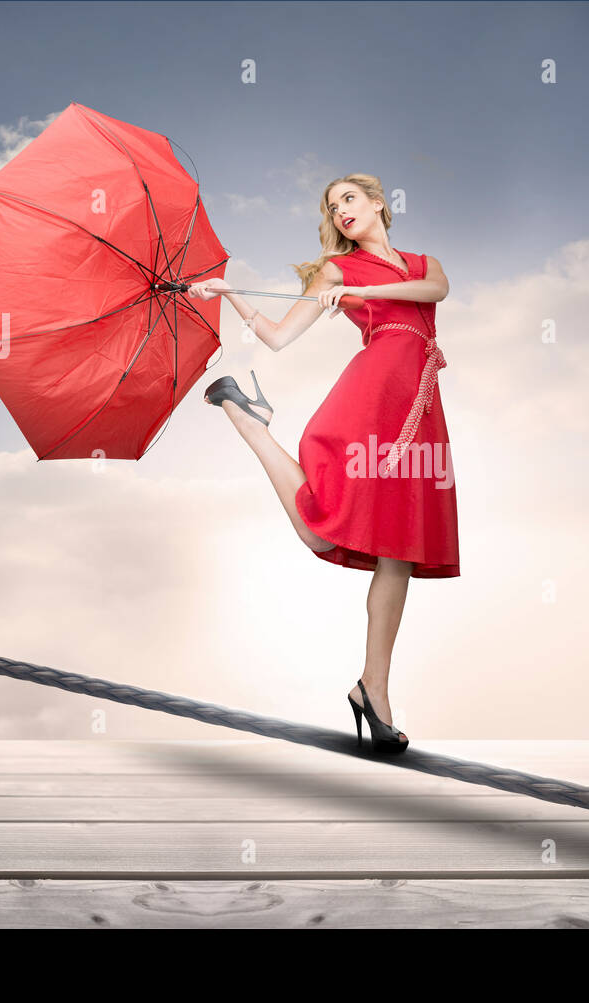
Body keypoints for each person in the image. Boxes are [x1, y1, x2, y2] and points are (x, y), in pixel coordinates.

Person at [188, 173, 459, 753]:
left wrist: (370, 295)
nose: (340, 212)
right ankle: (250, 423)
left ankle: (373, 690)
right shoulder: (337, 272)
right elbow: (280, 338)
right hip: (376, 391)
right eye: (332, 207)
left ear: (380, 204)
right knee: (320, 527)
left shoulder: (421, 262)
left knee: (401, 553)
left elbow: (434, 292)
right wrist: (229, 293)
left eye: (349, 200)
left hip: (419, 400)